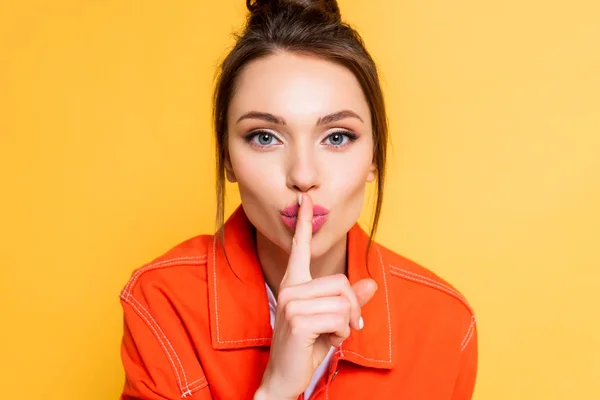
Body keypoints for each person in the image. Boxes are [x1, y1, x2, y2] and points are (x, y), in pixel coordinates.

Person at [118, 0, 478, 399]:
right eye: (265, 137)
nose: (303, 176)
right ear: (227, 159)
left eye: (337, 137)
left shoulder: (444, 323)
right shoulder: (163, 302)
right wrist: (275, 391)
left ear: (374, 156)